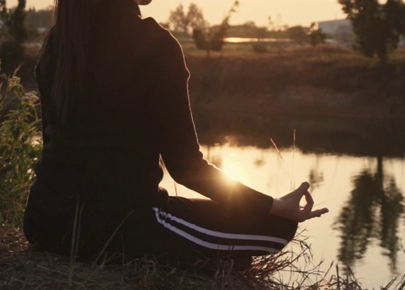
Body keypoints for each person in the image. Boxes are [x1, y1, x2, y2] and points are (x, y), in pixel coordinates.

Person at [22, 0, 328, 269]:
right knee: (276, 228)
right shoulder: (154, 44)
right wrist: (273, 205)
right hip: (115, 228)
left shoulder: (57, 42)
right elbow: (187, 169)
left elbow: (52, 146)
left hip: (42, 221)